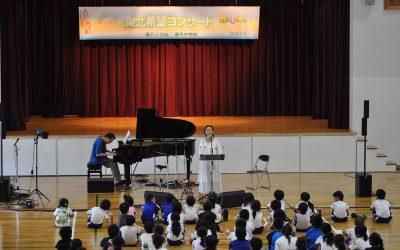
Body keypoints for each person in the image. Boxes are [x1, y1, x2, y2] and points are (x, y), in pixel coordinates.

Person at [198, 125, 223, 195]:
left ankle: (216, 193)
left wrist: (219, 155)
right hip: (205, 163)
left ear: (212, 131)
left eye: (210, 130)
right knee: (205, 178)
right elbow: (200, 152)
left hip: (214, 163)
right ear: (205, 132)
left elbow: (220, 151)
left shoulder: (216, 141)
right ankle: (205, 193)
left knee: (215, 178)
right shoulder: (202, 141)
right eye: (208, 130)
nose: (209, 131)